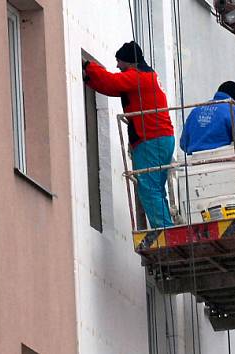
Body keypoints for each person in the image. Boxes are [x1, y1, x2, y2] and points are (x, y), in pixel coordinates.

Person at [83, 41, 175, 234]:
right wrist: (90, 80)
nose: (117, 66)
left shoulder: (137, 77)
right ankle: (168, 227)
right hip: (161, 138)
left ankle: (165, 231)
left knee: (148, 188)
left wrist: (87, 66)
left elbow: (112, 82)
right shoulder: (147, 77)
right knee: (156, 187)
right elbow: (111, 88)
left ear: (129, 63)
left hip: (150, 139)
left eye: (119, 62)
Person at [180, 81, 235, 154]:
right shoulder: (233, 110)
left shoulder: (195, 111)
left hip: (194, 161)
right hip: (223, 160)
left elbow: (183, 143)